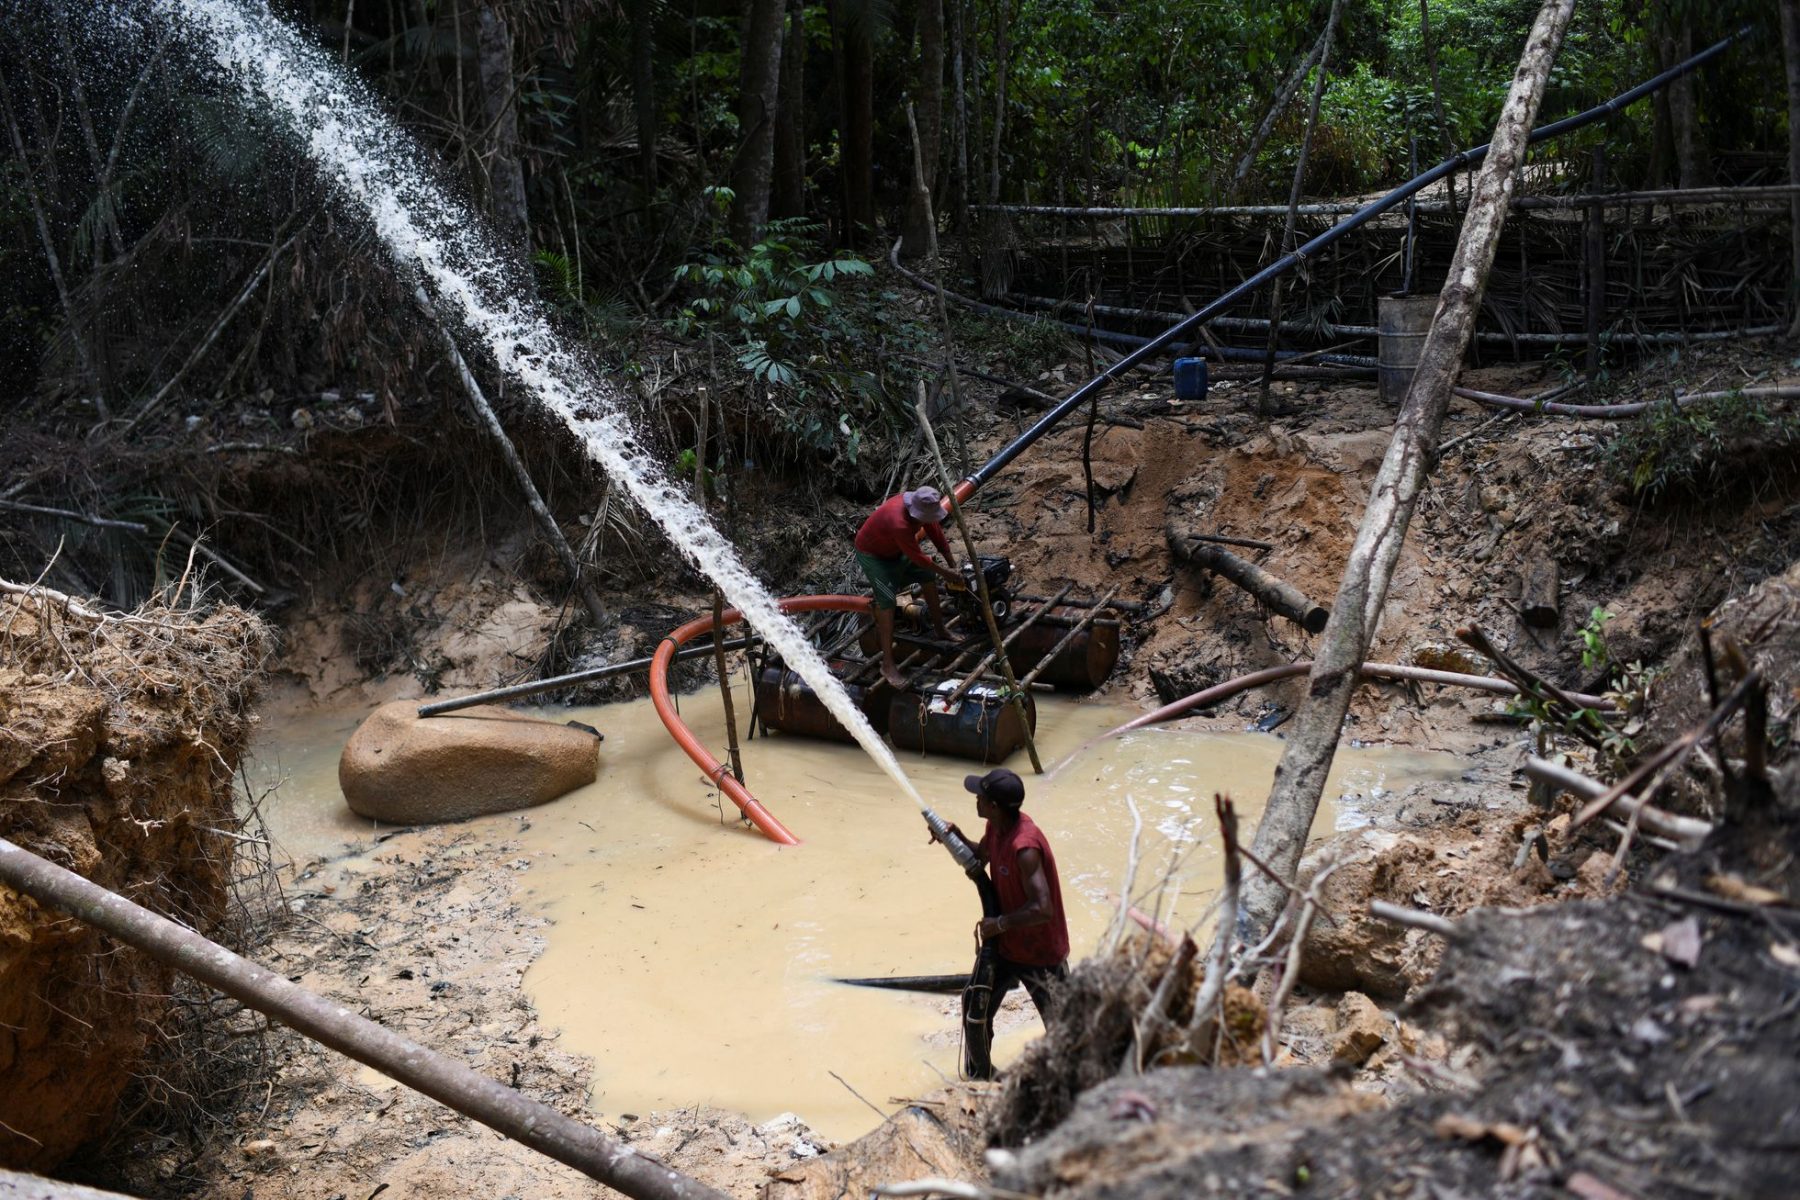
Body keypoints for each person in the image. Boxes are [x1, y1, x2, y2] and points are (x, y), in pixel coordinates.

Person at [930, 767, 1070, 1076]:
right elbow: (981, 856)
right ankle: (981, 1075)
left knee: (1063, 1031)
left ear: (994, 806)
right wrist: (952, 836)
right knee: (974, 1004)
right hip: (1007, 947)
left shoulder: (1026, 847)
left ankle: (1067, 1089)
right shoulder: (997, 828)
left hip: (1041, 954)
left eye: (980, 796)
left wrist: (1001, 923)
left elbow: (1043, 908)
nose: (976, 799)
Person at [854, 486, 963, 688]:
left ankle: (940, 629)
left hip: (896, 550)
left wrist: (952, 565)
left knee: (928, 576)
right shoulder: (899, 523)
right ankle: (887, 664)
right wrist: (947, 574)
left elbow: (937, 535)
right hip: (874, 556)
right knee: (886, 601)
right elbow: (919, 558)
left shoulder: (922, 509)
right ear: (916, 513)